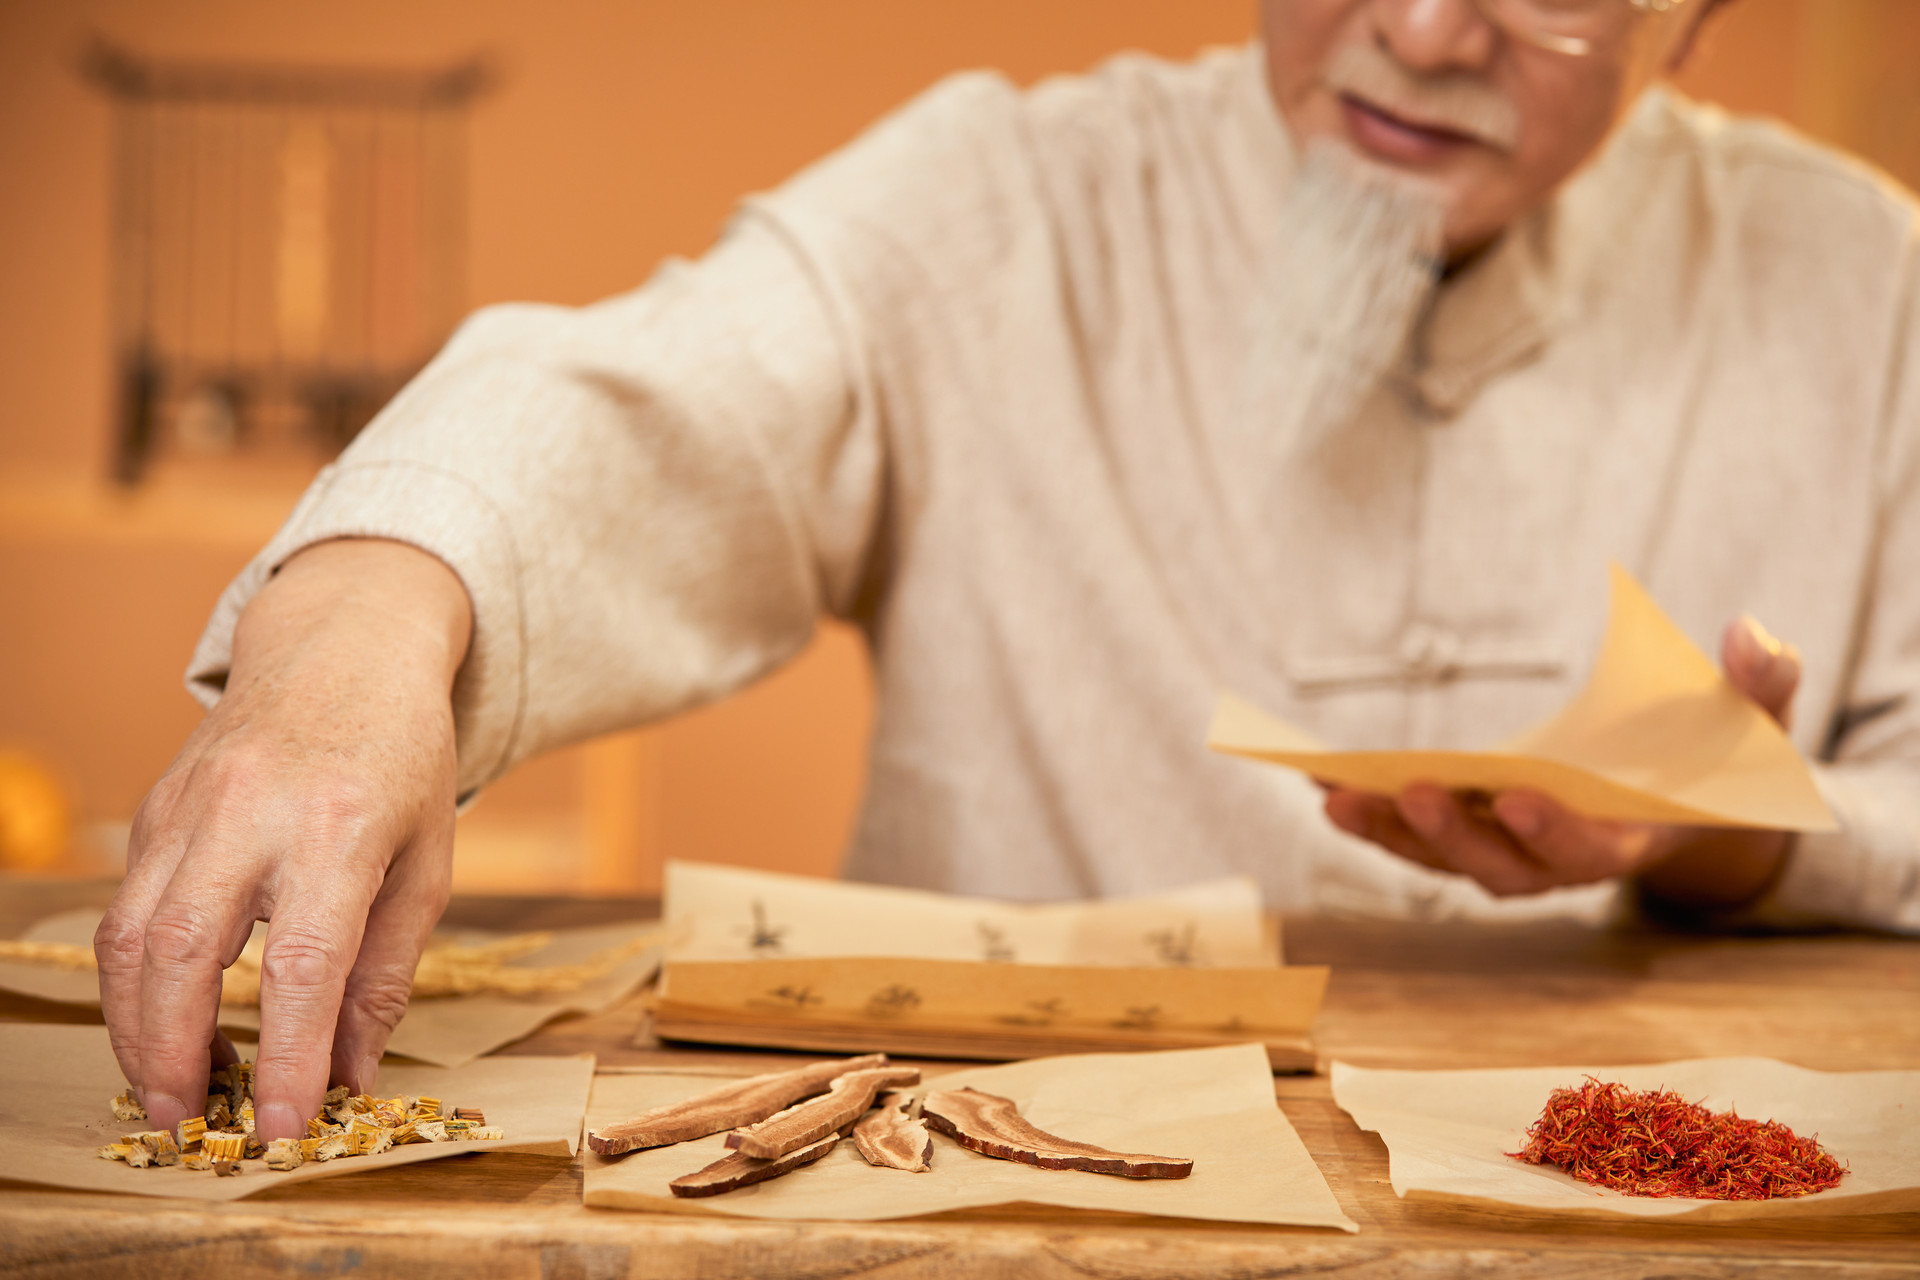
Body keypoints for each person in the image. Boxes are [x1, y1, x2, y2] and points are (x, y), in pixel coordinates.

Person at [98, 0, 1920, 1145]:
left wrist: (1727, 836)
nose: (1429, 28)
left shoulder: (1864, 282)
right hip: (985, 1191)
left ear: (1695, 25)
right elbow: (653, 394)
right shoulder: (1011, 194)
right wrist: (356, 628)